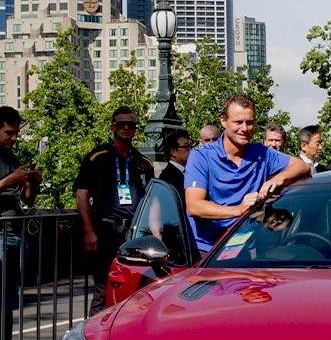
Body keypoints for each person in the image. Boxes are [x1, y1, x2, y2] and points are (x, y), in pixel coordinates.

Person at [184, 94, 309, 254]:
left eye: (249, 122)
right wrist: (239, 210)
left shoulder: (262, 153)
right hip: (206, 251)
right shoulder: (201, 156)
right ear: (223, 120)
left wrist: (278, 179)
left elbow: (302, 166)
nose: (244, 128)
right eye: (238, 122)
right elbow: (194, 206)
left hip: (244, 250)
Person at [75, 106, 154, 315]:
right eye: (121, 124)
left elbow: (151, 202)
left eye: (131, 125)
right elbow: (82, 195)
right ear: (112, 127)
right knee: (103, 290)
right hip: (105, 232)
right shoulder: (97, 158)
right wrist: (89, 231)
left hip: (135, 235)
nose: (126, 128)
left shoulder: (143, 162)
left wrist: (154, 235)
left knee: (137, 289)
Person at [0, 106, 41, 340]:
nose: (13, 138)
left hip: (15, 234)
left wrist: (31, 182)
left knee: (9, 300)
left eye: (16, 133)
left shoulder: (10, 157)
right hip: (3, 235)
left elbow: (27, 200)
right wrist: (12, 179)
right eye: (8, 133)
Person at [159, 129, 192, 206]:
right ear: (173, 151)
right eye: (186, 147)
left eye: (190, 146)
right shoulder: (168, 176)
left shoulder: (186, 172)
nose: (190, 150)